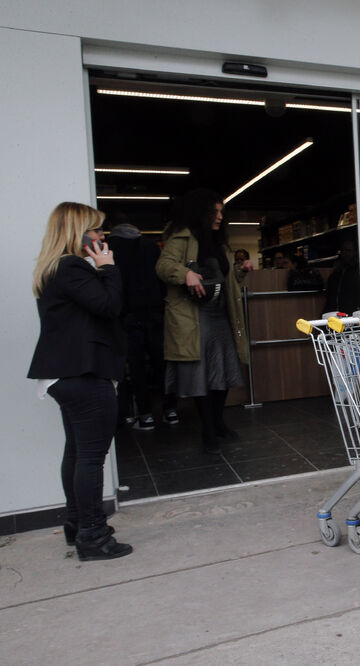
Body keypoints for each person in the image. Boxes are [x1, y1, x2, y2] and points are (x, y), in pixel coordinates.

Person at [27, 202, 133, 561]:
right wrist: (108, 269)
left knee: (76, 451)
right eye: (97, 230)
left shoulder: (54, 269)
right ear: (78, 233)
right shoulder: (72, 267)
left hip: (66, 375)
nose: (102, 237)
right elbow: (109, 306)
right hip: (83, 373)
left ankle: (77, 525)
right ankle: (92, 535)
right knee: (90, 456)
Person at [156, 189, 249, 455]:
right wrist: (185, 273)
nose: (220, 217)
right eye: (215, 211)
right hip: (194, 318)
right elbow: (163, 267)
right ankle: (208, 429)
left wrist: (240, 272)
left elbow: (225, 280)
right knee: (201, 377)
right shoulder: (181, 238)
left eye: (222, 211)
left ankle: (218, 423)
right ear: (202, 213)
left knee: (222, 373)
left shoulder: (219, 243)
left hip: (221, 316)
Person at [106, 215, 178, 430]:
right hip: (155, 312)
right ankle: (170, 409)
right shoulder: (150, 246)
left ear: (112, 227)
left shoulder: (110, 248)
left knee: (135, 366)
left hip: (127, 316)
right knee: (161, 363)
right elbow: (161, 279)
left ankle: (145, 414)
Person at [323, 237, 360, 315]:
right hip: (336, 314)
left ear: (355, 252)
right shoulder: (337, 271)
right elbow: (331, 296)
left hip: (353, 314)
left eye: (349, 250)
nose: (345, 253)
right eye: (343, 250)